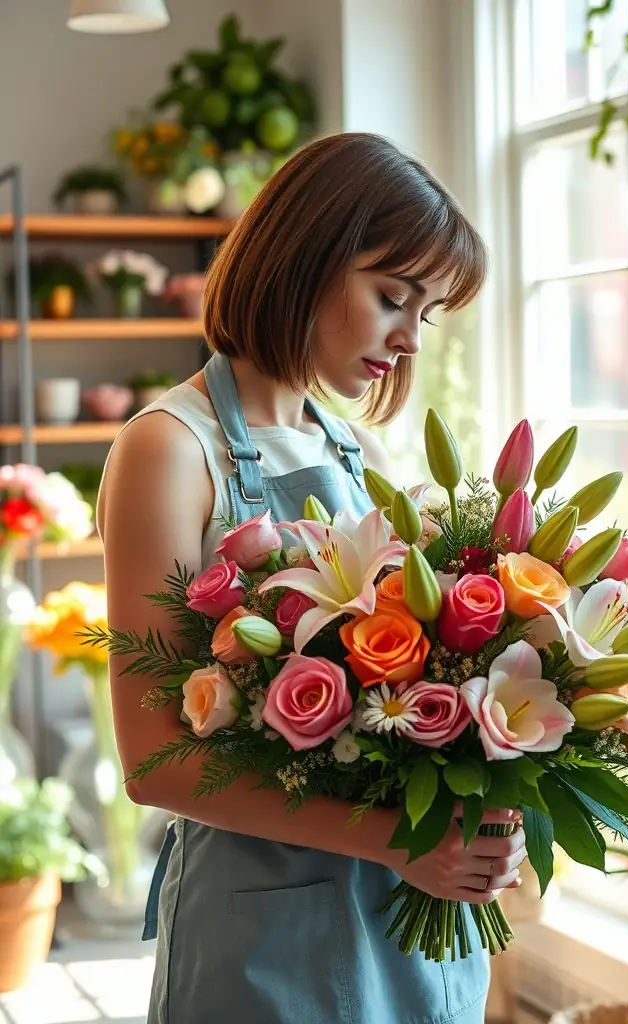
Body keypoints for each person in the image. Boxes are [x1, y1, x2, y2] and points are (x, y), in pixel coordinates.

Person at [98, 131, 528, 1024]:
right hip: (263, 945)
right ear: (308, 258)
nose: (409, 339)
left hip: (404, 927)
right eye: (391, 297)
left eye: (428, 312)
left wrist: (478, 803)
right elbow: (156, 762)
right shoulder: (168, 449)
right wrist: (398, 842)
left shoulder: (356, 449)